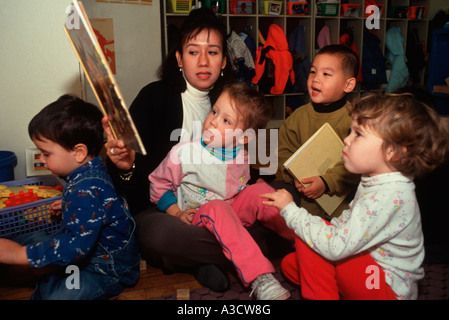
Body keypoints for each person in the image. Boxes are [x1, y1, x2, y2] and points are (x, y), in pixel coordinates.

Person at [102, 7, 289, 292]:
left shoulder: (233, 100)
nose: (203, 61)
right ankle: (239, 252)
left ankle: (211, 256)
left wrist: (255, 184)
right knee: (156, 237)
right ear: (179, 57)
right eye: (193, 51)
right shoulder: (155, 97)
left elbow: (234, 169)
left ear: (224, 60)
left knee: (280, 195)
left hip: (226, 207)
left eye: (213, 52)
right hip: (170, 211)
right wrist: (125, 167)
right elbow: (141, 182)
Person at [261, 93, 449, 300]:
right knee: (297, 256)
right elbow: (349, 219)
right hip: (371, 273)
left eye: (357, 134)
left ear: (394, 152)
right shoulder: (380, 178)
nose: (346, 140)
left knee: (309, 239)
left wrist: (291, 212)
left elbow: (336, 247)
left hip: (384, 289)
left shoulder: (389, 195)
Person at [149, 82, 295, 299]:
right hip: (199, 216)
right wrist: (176, 212)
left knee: (261, 192)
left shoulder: (242, 156)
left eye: (226, 120)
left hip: (231, 212)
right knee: (217, 207)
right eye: (215, 112)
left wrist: (253, 192)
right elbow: (157, 184)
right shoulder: (184, 153)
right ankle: (259, 277)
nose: (213, 121)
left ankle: (302, 239)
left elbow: (238, 188)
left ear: (244, 138)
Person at [0, 95, 140, 299]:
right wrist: (67, 203)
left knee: (58, 294)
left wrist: (20, 255)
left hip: (103, 267)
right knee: (33, 238)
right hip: (85, 251)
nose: (41, 159)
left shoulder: (84, 189)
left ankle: (38, 270)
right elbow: (96, 204)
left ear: (79, 153)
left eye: (46, 153)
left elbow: (75, 247)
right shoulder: (88, 169)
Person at [273, 44, 361, 218]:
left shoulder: (354, 120)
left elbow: (357, 164)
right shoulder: (298, 116)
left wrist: (326, 182)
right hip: (301, 204)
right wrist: (294, 177)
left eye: (326, 74)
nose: (315, 79)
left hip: (342, 209)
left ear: (348, 84)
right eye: (313, 72)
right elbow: (284, 152)